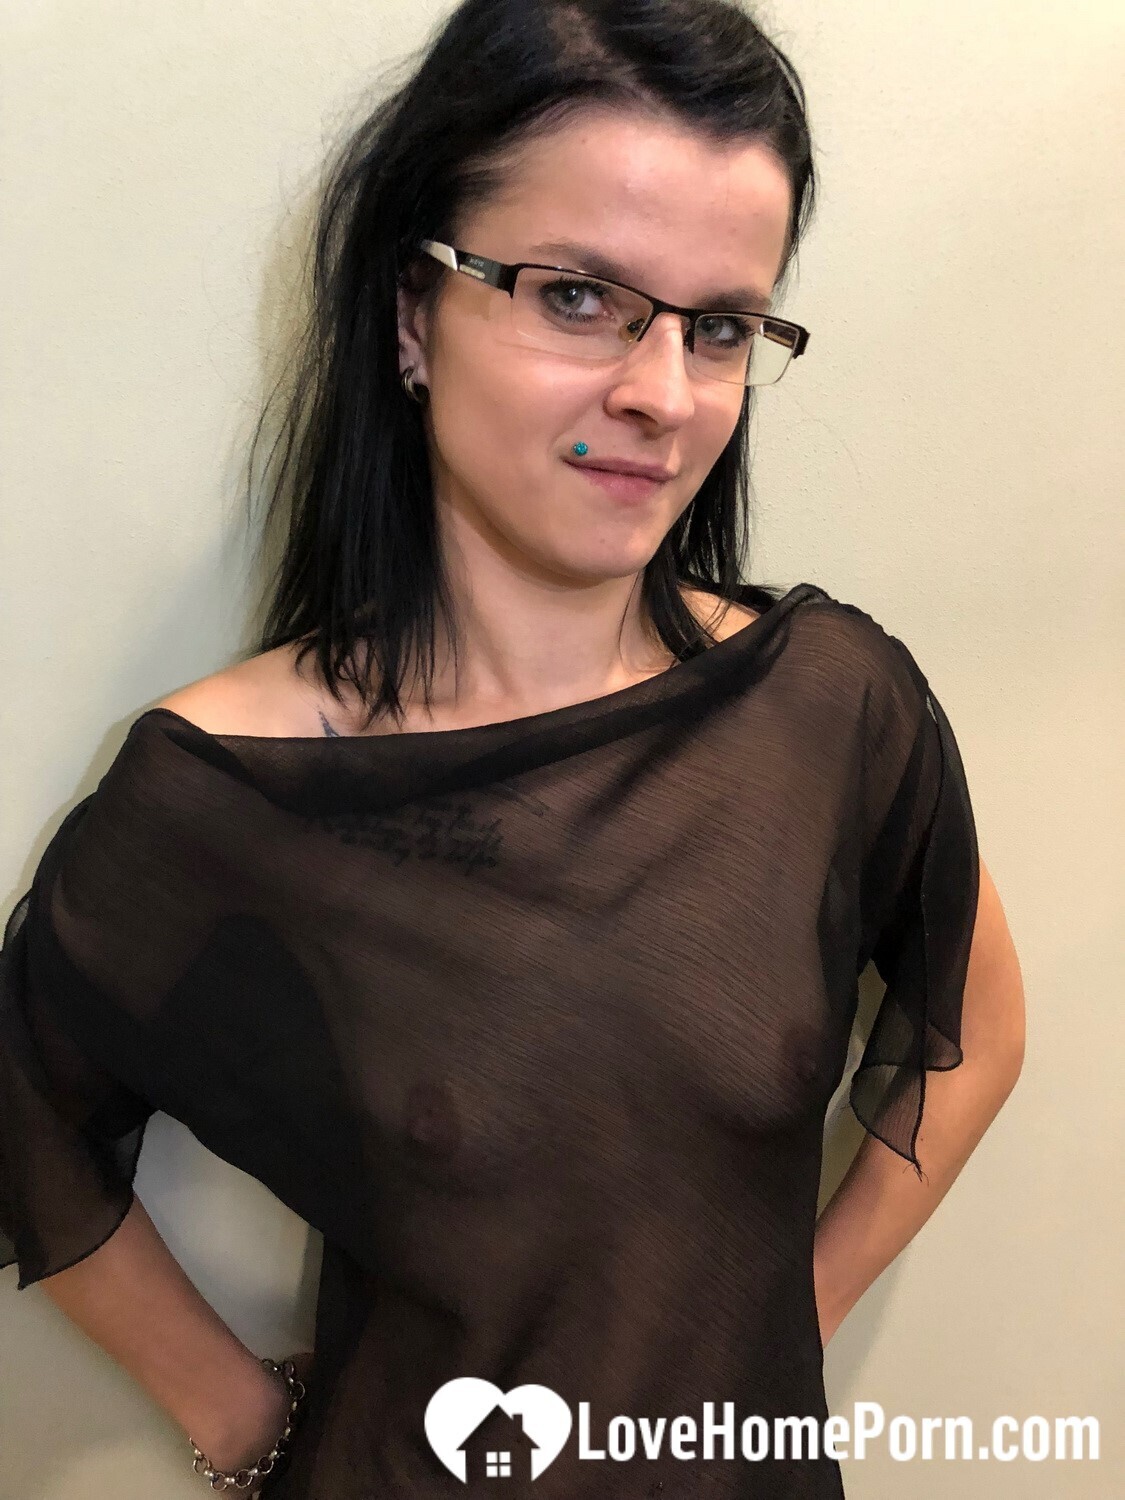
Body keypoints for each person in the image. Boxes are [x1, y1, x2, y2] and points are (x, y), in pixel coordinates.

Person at [0, 0, 1026, 1496]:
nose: (661, 395)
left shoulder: (829, 706)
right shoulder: (228, 791)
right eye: (578, 297)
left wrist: (774, 1343)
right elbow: (25, 1114)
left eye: (720, 327)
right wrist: (236, 1420)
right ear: (413, 316)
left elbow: (977, 1027)